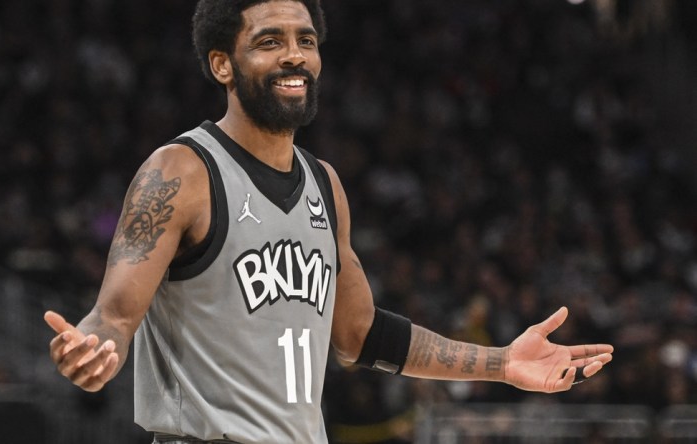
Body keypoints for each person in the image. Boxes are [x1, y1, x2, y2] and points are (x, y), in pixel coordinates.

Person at [44, 1, 614, 442]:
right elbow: (114, 314)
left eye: (306, 41)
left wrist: (501, 363)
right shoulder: (181, 172)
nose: (295, 55)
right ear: (222, 63)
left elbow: (360, 334)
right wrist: (93, 349)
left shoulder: (325, 184)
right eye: (270, 42)